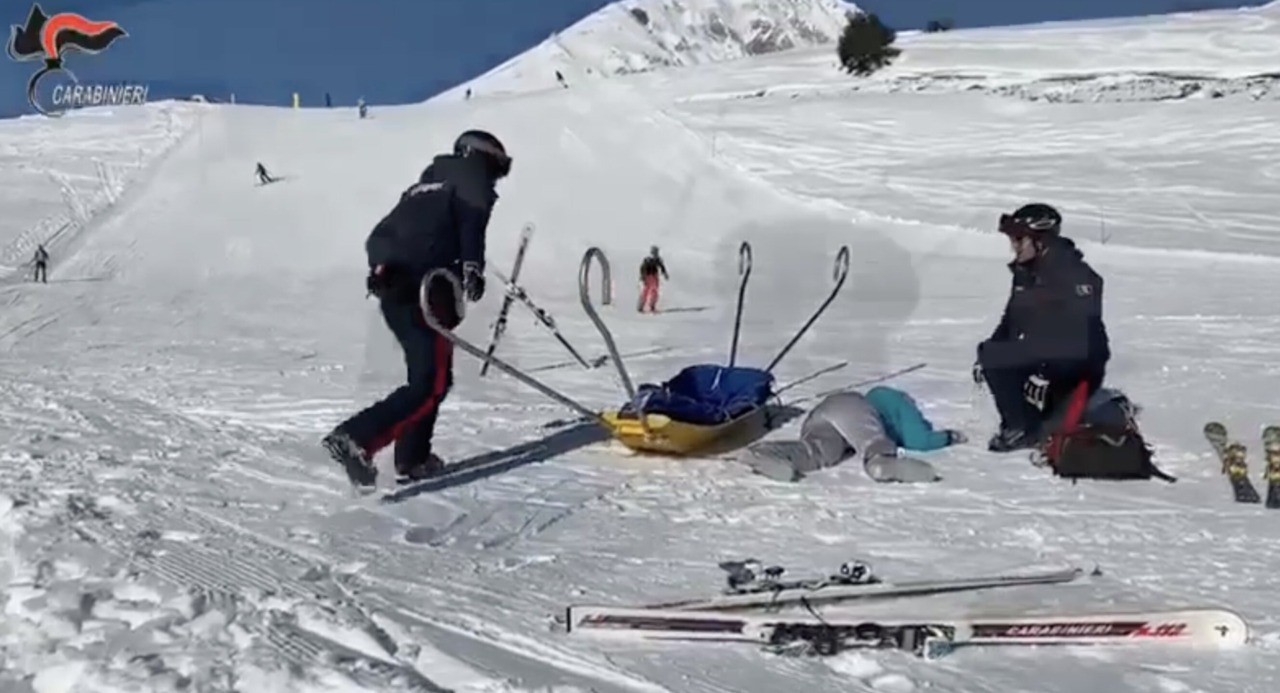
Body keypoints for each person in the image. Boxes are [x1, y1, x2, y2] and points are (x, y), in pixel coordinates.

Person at [323, 129, 510, 489]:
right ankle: (356, 437)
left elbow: (383, 235)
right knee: (430, 384)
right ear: (482, 157)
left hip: (392, 285)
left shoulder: (424, 185)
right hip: (428, 286)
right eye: (497, 168)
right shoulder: (471, 179)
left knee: (427, 380)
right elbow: (472, 224)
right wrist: (472, 267)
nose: (496, 179)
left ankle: (413, 457)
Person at [974, 203, 1110, 453]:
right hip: (1049, 352)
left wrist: (1046, 371)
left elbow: (1082, 333)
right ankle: (1022, 426)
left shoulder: (1074, 275)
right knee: (992, 353)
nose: (1013, 246)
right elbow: (1012, 319)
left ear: (1041, 241)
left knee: (1061, 428)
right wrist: (988, 357)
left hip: (1079, 361)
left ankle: (1043, 420)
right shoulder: (1027, 272)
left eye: (1018, 239)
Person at [741, 386, 966, 483]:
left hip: (821, 417)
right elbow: (920, 440)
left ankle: (766, 453)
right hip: (850, 406)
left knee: (819, 453)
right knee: (873, 441)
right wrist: (949, 436)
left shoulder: (878, 403)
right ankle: (880, 464)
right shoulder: (895, 401)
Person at [637, 246, 668, 313]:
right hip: (648, 276)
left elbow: (662, 266)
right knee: (647, 290)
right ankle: (642, 305)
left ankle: (651, 305)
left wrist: (665, 273)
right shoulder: (648, 259)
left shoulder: (657, 259)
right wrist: (643, 276)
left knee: (653, 290)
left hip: (654, 275)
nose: (656, 254)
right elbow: (643, 268)